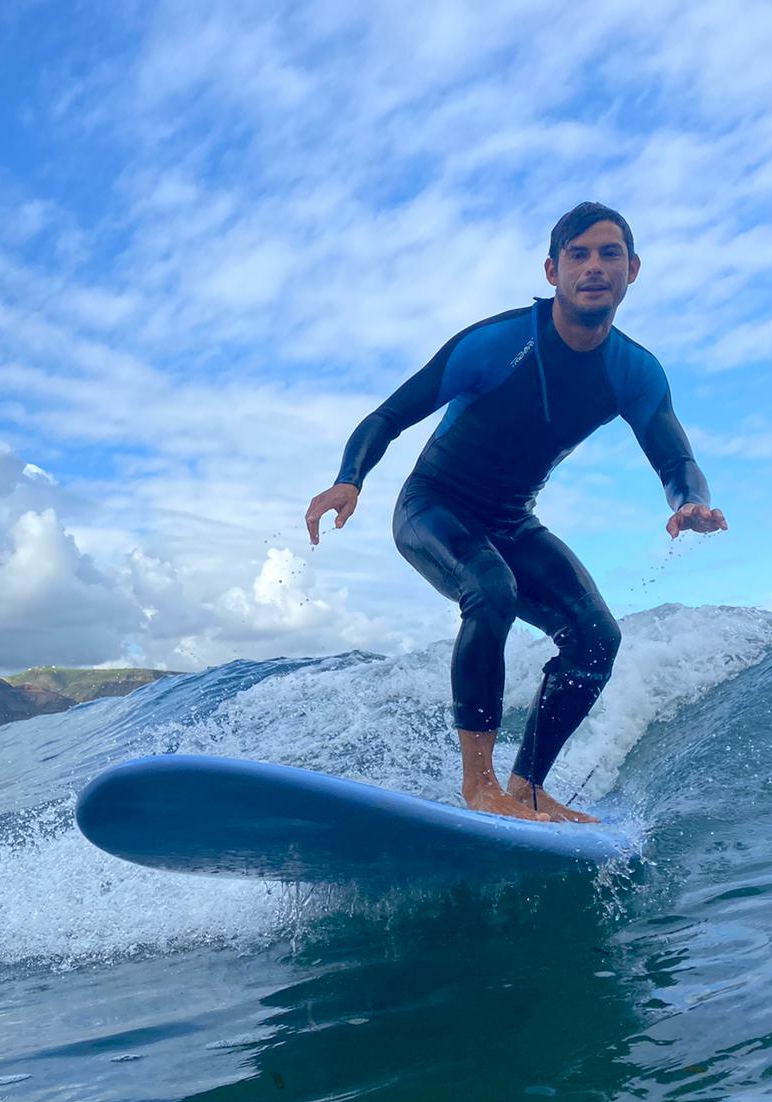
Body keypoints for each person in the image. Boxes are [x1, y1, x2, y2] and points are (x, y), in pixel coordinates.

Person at [304, 202, 727, 823]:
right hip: (433, 505)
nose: (593, 266)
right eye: (578, 255)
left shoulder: (633, 371)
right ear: (553, 270)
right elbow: (390, 414)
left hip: (511, 521)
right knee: (490, 587)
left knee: (597, 638)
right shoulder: (498, 342)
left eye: (609, 254)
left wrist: (691, 502)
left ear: (632, 270)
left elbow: (674, 457)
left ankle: (526, 788)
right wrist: (350, 479)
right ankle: (479, 785)